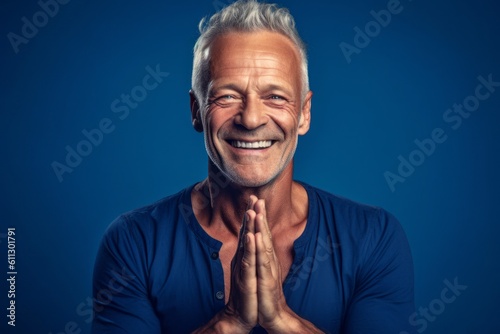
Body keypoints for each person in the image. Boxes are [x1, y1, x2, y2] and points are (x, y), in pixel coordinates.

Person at [92, 1, 416, 333]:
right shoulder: (134, 242)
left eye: (275, 96)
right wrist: (228, 323)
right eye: (227, 96)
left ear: (304, 113)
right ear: (196, 110)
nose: (251, 118)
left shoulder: (373, 238)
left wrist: (281, 320)